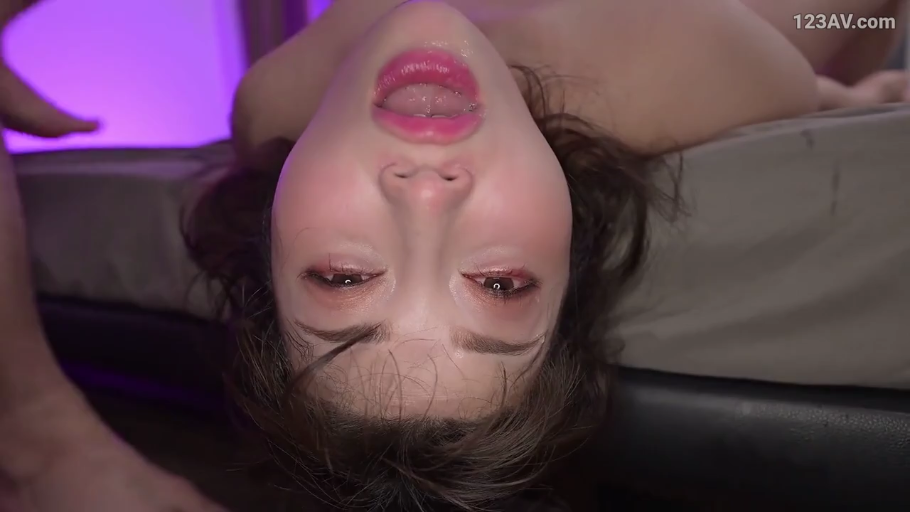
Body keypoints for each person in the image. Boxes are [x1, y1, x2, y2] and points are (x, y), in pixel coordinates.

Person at [0, 1, 907, 511]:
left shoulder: (270, 102)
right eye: (498, 285)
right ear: (569, 248)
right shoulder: (695, 68)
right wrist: (844, 94)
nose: (426, 195)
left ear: (267, 239)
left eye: (345, 278)